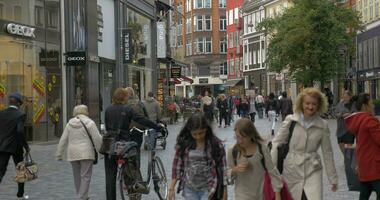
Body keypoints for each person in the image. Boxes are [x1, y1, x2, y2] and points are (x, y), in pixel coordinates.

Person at [270, 87, 338, 200]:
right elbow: (276, 143)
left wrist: (333, 178)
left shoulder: (323, 125)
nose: (310, 107)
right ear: (301, 103)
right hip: (291, 169)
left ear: (319, 105)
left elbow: (327, 153)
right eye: (307, 103)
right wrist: (272, 170)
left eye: (314, 104)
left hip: (313, 169)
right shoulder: (291, 121)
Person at [104, 88, 162, 200]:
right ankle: (134, 195)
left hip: (110, 144)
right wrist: (156, 126)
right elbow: (141, 119)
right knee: (131, 171)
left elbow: (107, 126)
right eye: (126, 96)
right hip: (124, 144)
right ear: (124, 97)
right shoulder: (127, 109)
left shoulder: (108, 110)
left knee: (110, 176)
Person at [168, 113, 227, 200]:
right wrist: (171, 187)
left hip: (209, 188)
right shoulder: (184, 144)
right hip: (189, 189)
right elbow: (177, 166)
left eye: (201, 133)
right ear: (189, 131)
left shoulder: (215, 145)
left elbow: (223, 169)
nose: (198, 136)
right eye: (194, 134)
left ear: (206, 129)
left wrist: (224, 191)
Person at [227, 118, 282, 200]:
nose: (240, 141)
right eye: (238, 137)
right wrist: (235, 169)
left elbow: (272, 171)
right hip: (241, 195)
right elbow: (227, 175)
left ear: (251, 135)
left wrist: (277, 194)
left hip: (260, 195)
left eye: (244, 137)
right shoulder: (233, 151)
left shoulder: (262, 149)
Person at [56, 105, 102, 200]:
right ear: (86, 111)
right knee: (85, 176)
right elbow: (97, 139)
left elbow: (63, 139)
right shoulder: (90, 123)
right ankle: (82, 197)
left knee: (76, 176)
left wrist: (59, 153)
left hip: (73, 153)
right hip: (86, 153)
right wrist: (100, 152)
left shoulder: (69, 124)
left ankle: (82, 195)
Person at [345, 93, 380, 200]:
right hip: (375, 167)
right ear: (365, 106)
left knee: (364, 194)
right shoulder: (370, 120)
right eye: (371, 104)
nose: (373, 106)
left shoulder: (358, 120)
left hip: (364, 167)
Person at [0, 92, 29, 200]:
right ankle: (20, 194)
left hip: (2, 146)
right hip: (16, 147)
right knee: (20, 170)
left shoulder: (1, 113)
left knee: (1, 170)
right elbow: (20, 131)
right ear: (18, 103)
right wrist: (26, 146)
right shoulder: (20, 115)